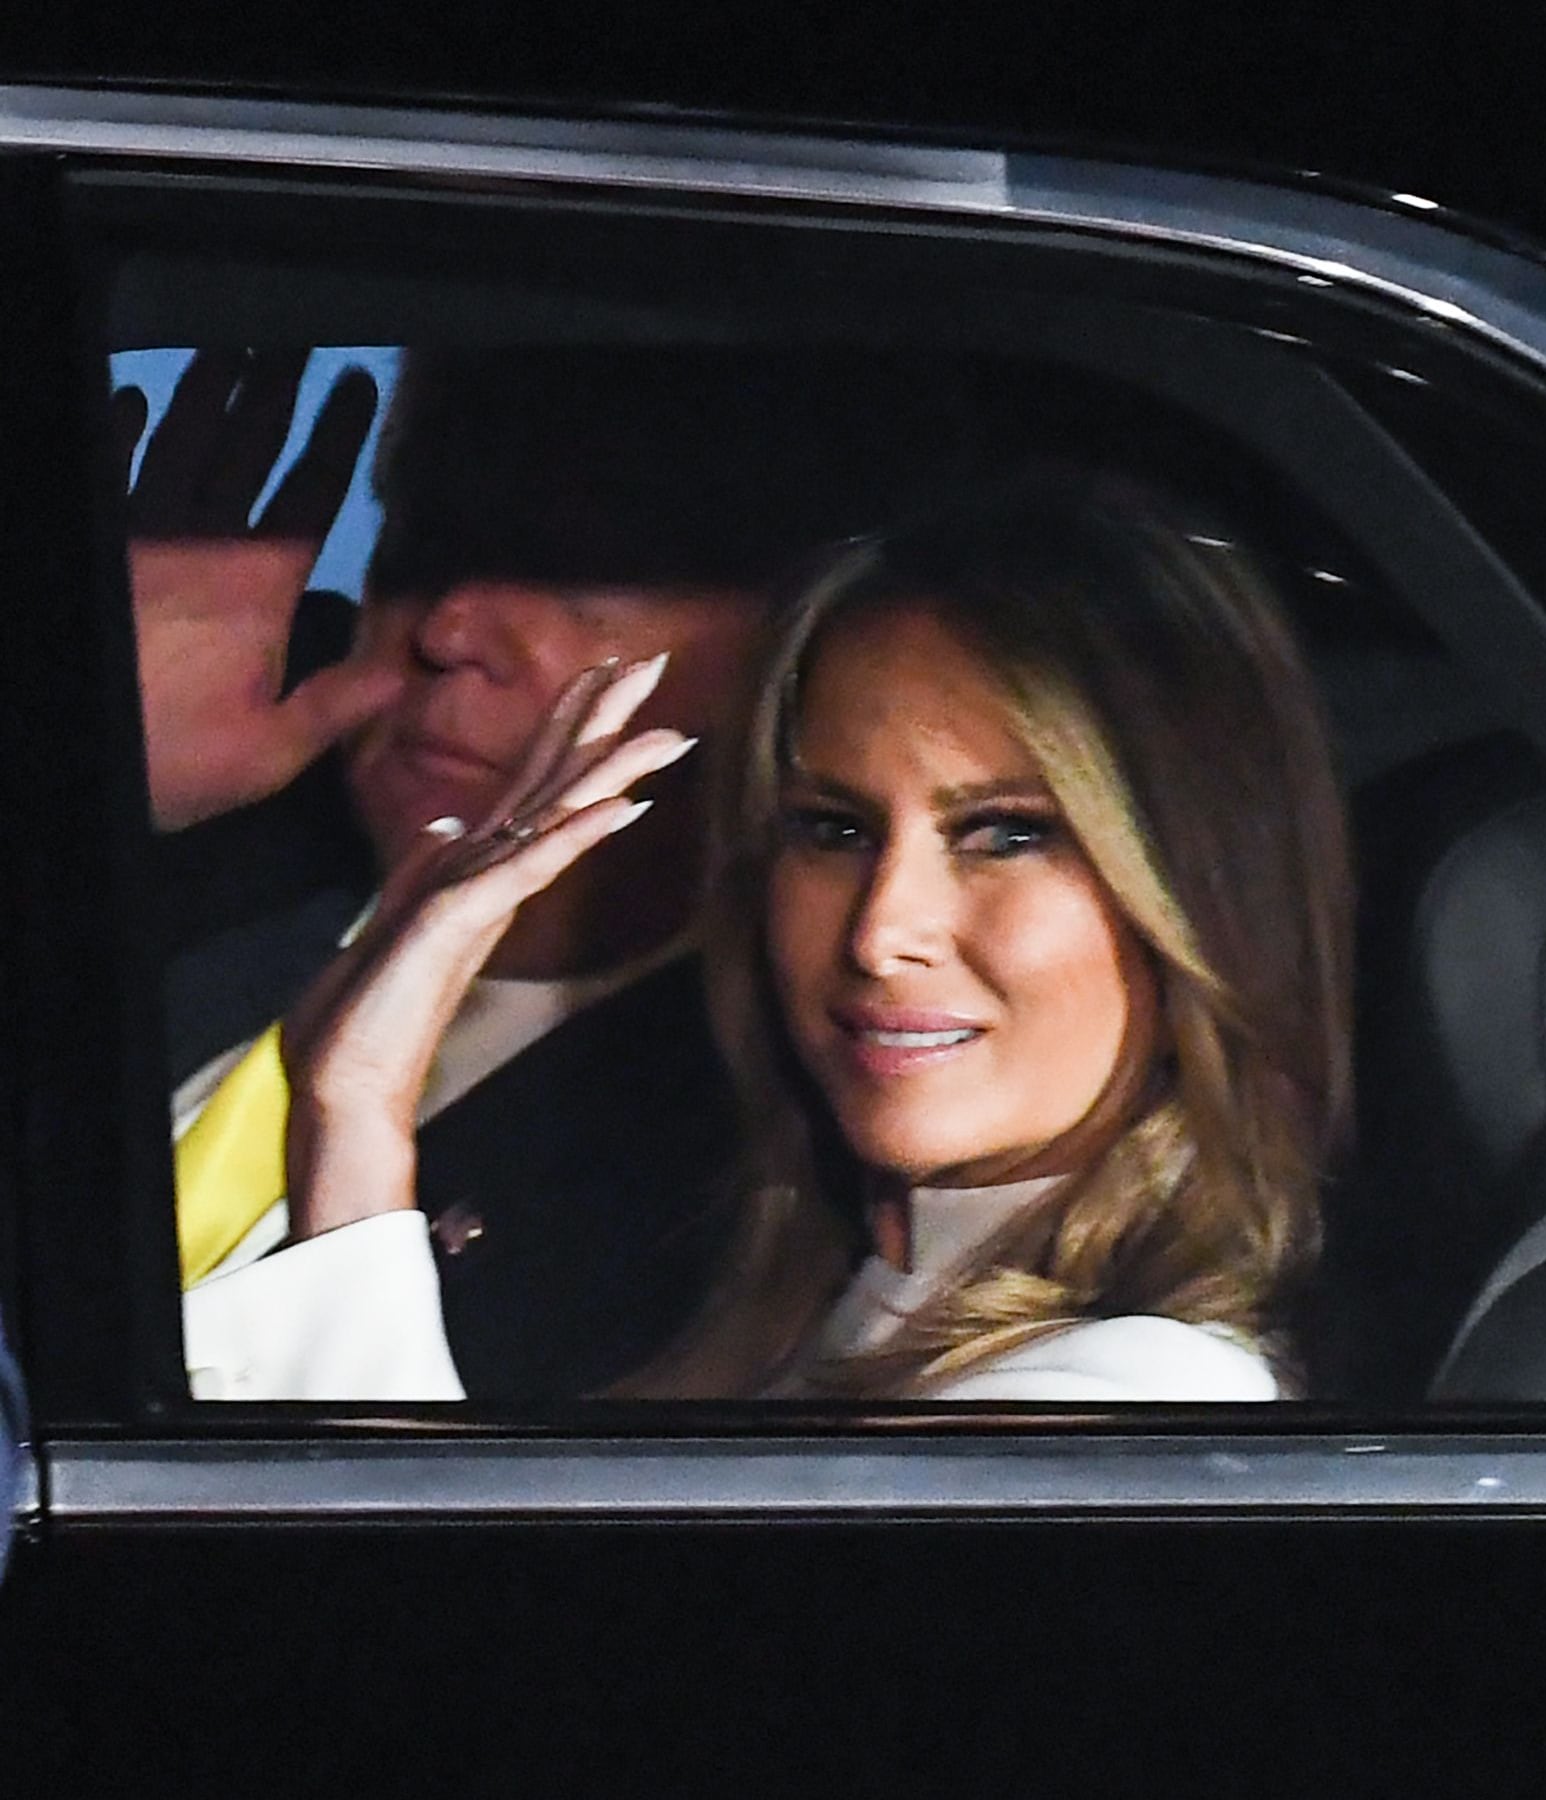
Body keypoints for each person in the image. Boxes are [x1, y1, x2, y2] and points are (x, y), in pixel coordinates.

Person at [183, 468, 1354, 1400]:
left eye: (1009, 836)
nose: (882, 930)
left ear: (1194, 891)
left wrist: (355, 1140)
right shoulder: (811, 1306)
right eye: (832, 828)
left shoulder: (1121, 1405)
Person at [141, 345, 992, 1399]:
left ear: (800, 645)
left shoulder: (771, 1171)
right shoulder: (195, 877)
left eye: (581, 569)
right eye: (427, 542)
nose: (450, 631)